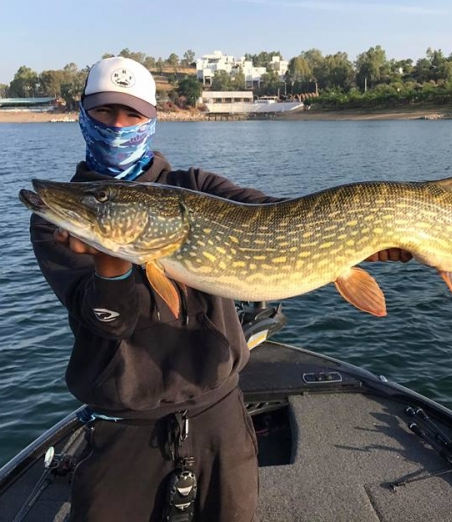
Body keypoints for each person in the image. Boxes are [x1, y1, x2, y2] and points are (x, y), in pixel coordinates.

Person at [29, 56, 411, 522]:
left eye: (132, 114)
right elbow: (109, 322)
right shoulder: (63, 222)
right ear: (82, 114)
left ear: (152, 120)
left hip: (220, 413)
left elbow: (282, 216)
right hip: (125, 423)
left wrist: (366, 241)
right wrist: (112, 266)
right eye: (105, 112)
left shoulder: (197, 187)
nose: (117, 124)